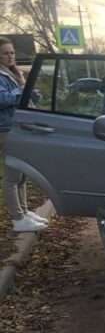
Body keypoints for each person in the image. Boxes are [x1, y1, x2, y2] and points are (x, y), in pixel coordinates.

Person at [0, 37, 47, 232]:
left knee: (22, 174)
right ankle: (18, 219)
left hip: (18, 127)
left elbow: (20, 95)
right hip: (6, 130)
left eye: (12, 52)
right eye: (5, 53)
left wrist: (33, 93)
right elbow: (2, 98)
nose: (10, 56)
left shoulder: (12, 73)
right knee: (11, 176)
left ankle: (25, 212)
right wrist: (22, 91)